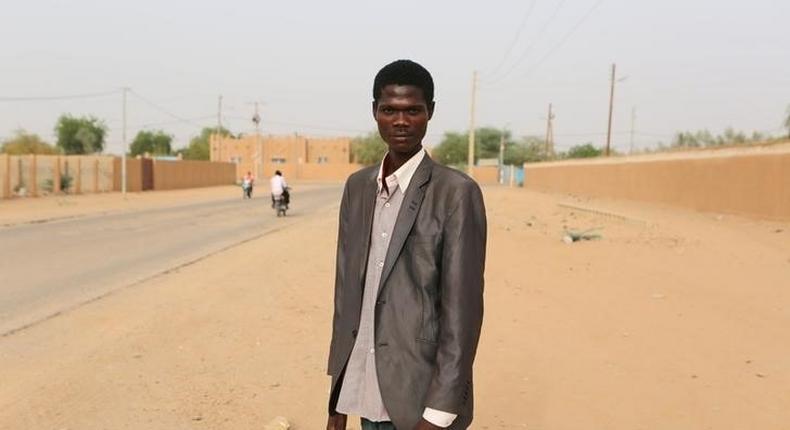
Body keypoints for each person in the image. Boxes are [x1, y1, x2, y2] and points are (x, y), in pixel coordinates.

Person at [326, 60, 487, 430]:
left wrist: (440, 412)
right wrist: (336, 398)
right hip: (364, 390)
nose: (401, 121)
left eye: (412, 110)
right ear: (375, 112)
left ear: (430, 112)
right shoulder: (357, 188)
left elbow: (463, 313)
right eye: (390, 110)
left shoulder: (456, 193)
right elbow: (346, 297)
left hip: (419, 401)